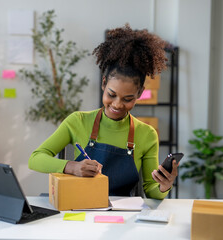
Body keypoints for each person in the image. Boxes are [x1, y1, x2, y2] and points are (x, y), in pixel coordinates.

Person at [28, 24, 179, 199]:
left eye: (127, 99)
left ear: (139, 93)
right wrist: (72, 167)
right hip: (79, 209)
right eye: (111, 94)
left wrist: (164, 186)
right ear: (104, 83)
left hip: (121, 216)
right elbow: (35, 159)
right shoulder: (77, 121)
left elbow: (151, 191)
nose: (117, 104)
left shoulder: (147, 134)